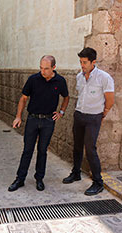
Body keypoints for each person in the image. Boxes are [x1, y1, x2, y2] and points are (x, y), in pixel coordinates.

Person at [8, 55, 69, 192]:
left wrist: (61, 112)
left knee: (42, 151)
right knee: (27, 150)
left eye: (46, 69)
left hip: (48, 121)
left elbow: (66, 97)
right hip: (33, 119)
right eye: (41, 68)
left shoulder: (60, 81)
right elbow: (23, 98)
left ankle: (39, 178)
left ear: (53, 68)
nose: (43, 71)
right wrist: (18, 117)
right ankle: (20, 179)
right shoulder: (33, 80)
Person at [63, 47, 114, 196]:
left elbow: (110, 100)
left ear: (93, 62)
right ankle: (76, 173)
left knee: (90, 149)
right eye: (80, 62)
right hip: (79, 115)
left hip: (93, 117)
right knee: (77, 146)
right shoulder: (80, 76)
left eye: (85, 62)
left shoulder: (104, 77)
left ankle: (98, 183)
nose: (82, 65)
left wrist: (102, 114)